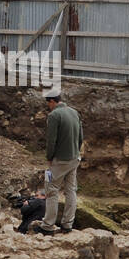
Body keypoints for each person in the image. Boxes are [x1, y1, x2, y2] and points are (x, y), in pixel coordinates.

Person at [35, 89, 82, 234]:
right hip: (74, 158)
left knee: (51, 189)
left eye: (48, 103)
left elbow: (51, 140)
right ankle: (67, 224)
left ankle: (48, 225)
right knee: (71, 190)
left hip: (60, 160)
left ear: (52, 102)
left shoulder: (54, 115)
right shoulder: (74, 112)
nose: (48, 106)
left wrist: (49, 158)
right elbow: (80, 137)